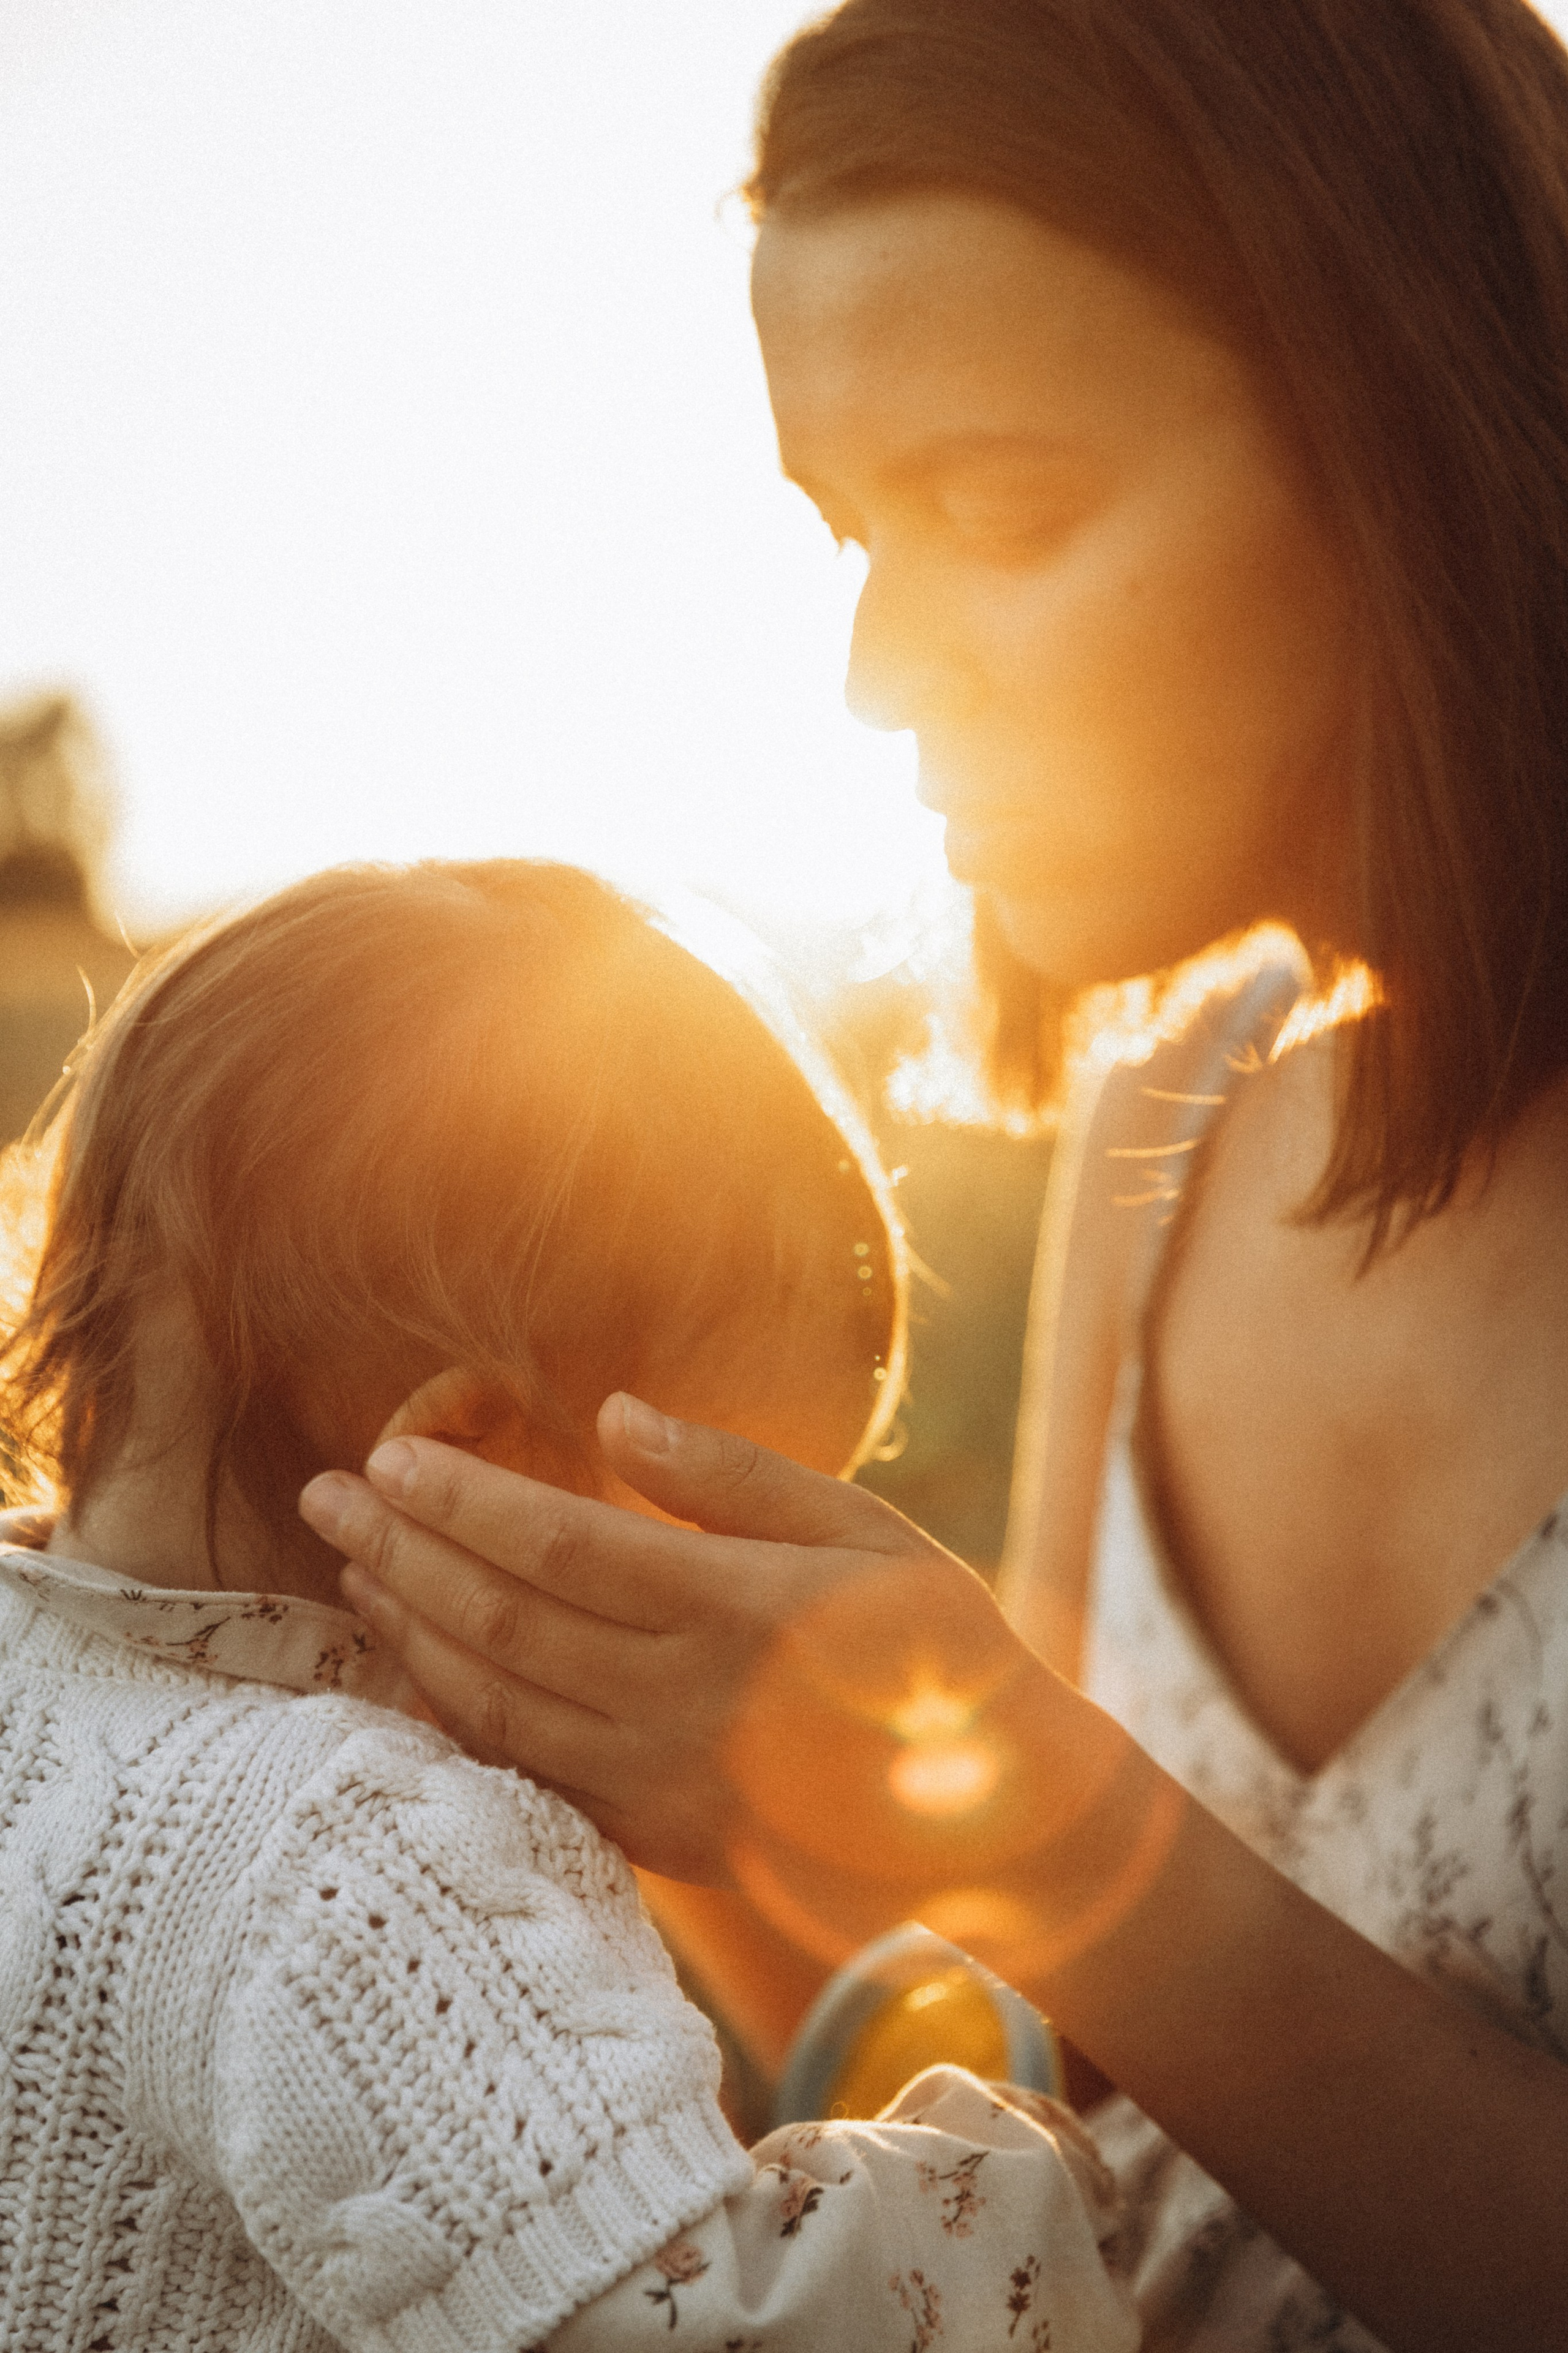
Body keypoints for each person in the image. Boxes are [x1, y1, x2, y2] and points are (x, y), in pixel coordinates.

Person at [298, 4, 1568, 2349]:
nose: (880, 673)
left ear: (1407, 422)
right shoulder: (1167, 1138)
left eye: (998, 507)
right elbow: (1083, 2090)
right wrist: (596, 1739)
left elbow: (1108, 1901)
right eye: (850, 533)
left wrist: (1047, 1838)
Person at [0, 857, 1138, 2352]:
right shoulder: (365, 1853)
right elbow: (721, 2325)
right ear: (473, 1473)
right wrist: (1030, 2182)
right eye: (721, 1532)